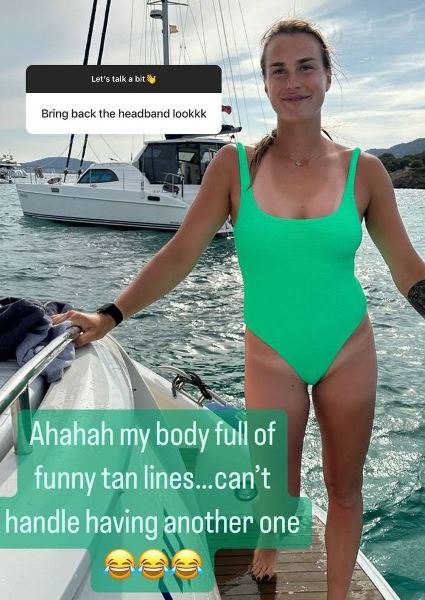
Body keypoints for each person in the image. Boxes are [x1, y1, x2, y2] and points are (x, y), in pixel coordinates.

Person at [52, 18, 425, 600]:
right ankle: (269, 540)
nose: (293, 81)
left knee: (344, 489)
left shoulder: (365, 171)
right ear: (266, 84)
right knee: (276, 488)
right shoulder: (235, 166)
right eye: (279, 70)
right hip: (271, 352)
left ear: (327, 77)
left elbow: (407, 270)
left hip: (348, 347)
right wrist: (109, 315)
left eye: (306, 67)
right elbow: (179, 255)